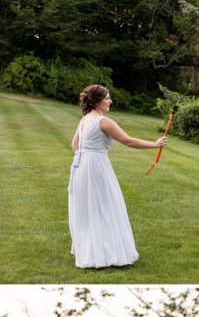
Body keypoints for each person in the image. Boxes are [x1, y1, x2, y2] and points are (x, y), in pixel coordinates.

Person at [67, 85, 167, 268]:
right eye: (107, 98)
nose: (110, 101)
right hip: (97, 167)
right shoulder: (104, 121)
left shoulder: (84, 120)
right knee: (105, 206)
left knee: (88, 208)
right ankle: (105, 253)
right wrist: (155, 144)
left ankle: (91, 251)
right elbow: (128, 141)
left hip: (80, 166)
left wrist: (84, 158)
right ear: (97, 101)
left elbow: (75, 145)